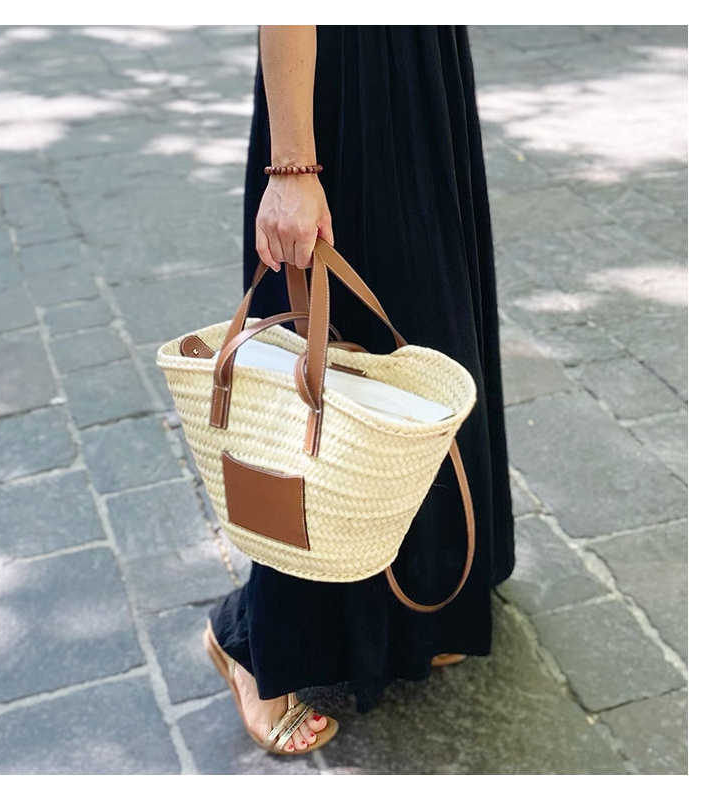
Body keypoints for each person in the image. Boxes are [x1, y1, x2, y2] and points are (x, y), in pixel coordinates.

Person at [204, 25, 515, 755]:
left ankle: (416, 613)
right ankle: (255, 648)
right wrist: (292, 166)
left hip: (422, 72)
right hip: (338, 90)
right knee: (312, 382)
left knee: (426, 359)